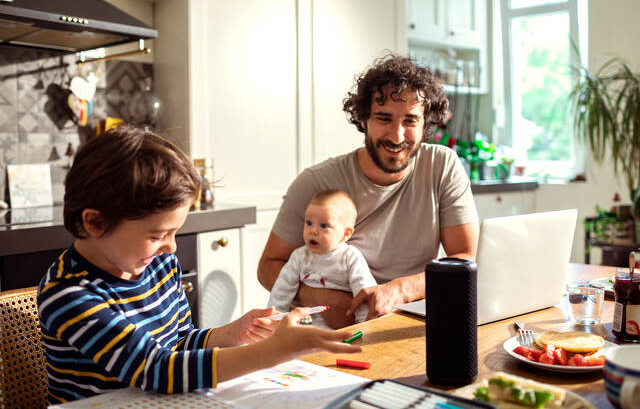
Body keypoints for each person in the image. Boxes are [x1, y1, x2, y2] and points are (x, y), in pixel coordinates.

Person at [37, 127, 360, 405]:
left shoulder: (159, 264)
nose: (171, 247)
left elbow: (178, 341)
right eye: (157, 235)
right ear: (95, 222)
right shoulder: (69, 294)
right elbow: (157, 369)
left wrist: (231, 333)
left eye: (174, 232)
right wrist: (273, 352)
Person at [258, 54, 480, 329]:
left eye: (410, 121)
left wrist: (399, 290)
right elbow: (269, 265)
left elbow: (464, 258)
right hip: (337, 329)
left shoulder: (442, 166)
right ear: (363, 119)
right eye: (383, 118)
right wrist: (325, 298)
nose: (397, 136)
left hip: (412, 322)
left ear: (426, 125)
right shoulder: (316, 182)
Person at [267, 189, 377, 328]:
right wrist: (274, 319)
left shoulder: (350, 257)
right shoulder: (299, 256)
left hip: (339, 326)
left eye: (324, 225)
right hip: (305, 324)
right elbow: (282, 290)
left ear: (345, 234)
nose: (313, 230)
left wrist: (364, 325)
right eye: (308, 223)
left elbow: (364, 292)